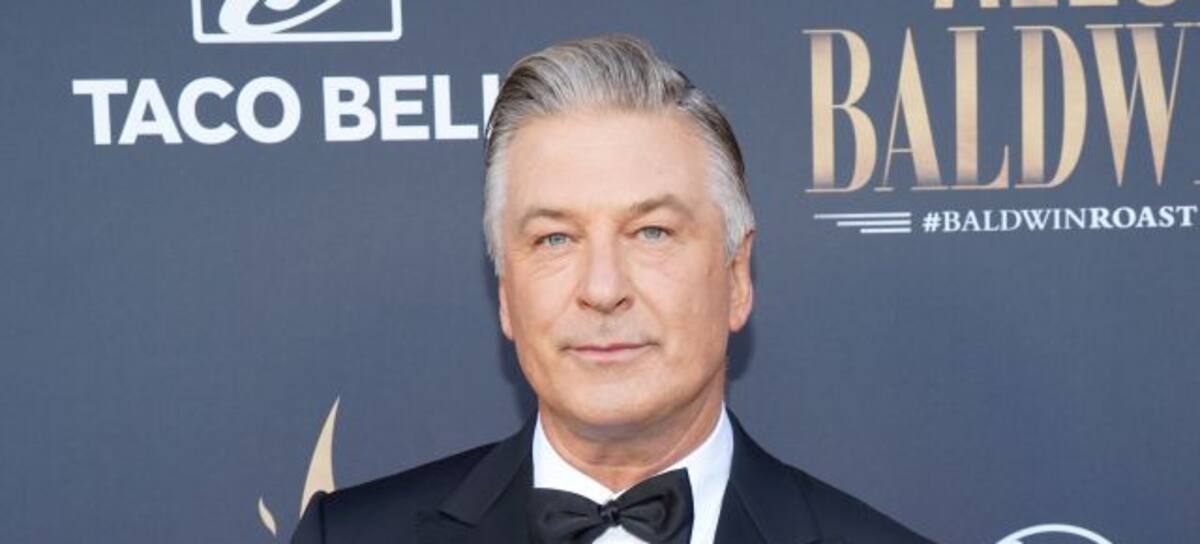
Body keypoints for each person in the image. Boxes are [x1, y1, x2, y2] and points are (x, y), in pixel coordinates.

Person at [291, 34, 933, 544]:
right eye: (555, 239)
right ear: (506, 293)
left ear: (737, 276)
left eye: (652, 232)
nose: (602, 289)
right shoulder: (348, 537)